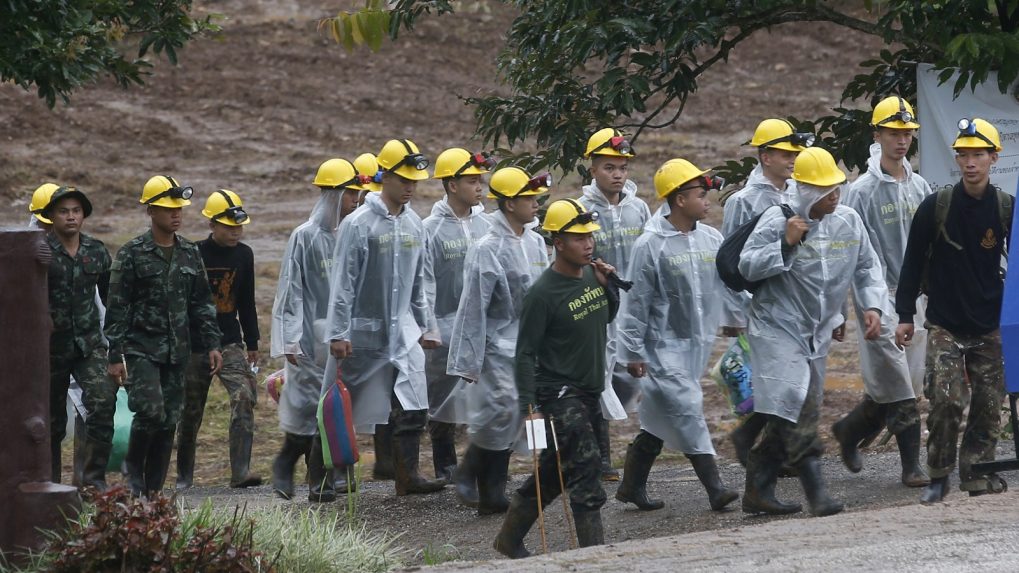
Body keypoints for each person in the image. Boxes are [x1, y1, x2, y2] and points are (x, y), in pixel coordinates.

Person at [738, 148, 887, 517]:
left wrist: (871, 306)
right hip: (776, 326)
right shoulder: (778, 219)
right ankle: (817, 492)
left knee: (795, 407)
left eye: (836, 189)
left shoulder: (848, 222)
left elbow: (867, 267)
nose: (834, 197)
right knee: (797, 401)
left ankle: (757, 484)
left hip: (816, 330)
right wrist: (784, 243)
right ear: (804, 190)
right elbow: (746, 265)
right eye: (825, 191)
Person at [494, 199, 618, 558]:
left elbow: (606, 316)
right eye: (578, 238)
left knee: (554, 471)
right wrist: (530, 406)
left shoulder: (591, 276)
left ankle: (508, 538)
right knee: (586, 468)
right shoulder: (543, 293)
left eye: (589, 237)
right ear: (558, 243)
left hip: (590, 390)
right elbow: (525, 353)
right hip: (560, 394)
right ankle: (593, 556)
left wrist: (608, 286)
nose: (588, 244)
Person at [896, 118, 1011, 503]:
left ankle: (977, 471)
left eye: (978, 154)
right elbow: (912, 263)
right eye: (963, 155)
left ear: (994, 157)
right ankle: (940, 473)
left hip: (990, 323)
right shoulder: (936, 206)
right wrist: (904, 315)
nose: (969, 163)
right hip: (945, 320)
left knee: (989, 403)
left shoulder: (1006, 208)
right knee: (946, 399)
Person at [615, 159, 740, 512]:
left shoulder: (710, 238)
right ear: (679, 199)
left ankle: (631, 485)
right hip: (661, 346)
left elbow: (726, 285)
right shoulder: (650, 245)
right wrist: (632, 352)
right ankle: (715, 489)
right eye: (701, 195)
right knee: (687, 407)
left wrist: (735, 319)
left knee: (660, 415)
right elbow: (636, 303)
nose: (707, 201)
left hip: (696, 345)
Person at [325, 138, 445, 497]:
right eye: (404, 179)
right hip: (363, 331)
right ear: (385, 176)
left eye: (415, 180)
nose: (410, 186)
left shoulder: (414, 225)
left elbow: (421, 280)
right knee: (341, 403)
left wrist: (426, 325)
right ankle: (324, 477)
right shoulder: (359, 224)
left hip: (403, 329)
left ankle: (407, 477)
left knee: (413, 402)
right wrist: (338, 332)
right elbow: (343, 282)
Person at [832, 96, 932, 488]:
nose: (902, 140)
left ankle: (848, 429)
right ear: (877, 135)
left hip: (916, 298)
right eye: (894, 132)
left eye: (907, 132)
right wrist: (851, 306)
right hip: (879, 294)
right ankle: (911, 466)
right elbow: (851, 252)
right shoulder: (863, 191)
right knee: (899, 383)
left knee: (906, 380)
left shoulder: (919, 185)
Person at [105, 175, 223, 498]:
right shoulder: (132, 254)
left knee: (170, 418)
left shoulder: (188, 252)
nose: (176, 214)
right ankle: (133, 472)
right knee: (150, 411)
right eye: (168, 208)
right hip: (141, 349)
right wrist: (115, 355)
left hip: (177, 351)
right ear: (150, 211)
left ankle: (153, 490)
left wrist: (212, 342)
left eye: (179, 209)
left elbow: (201, 302)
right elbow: (117, 307)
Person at [447, 166, 549, 514]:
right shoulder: (487, 248)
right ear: (508, 204)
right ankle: (468, 472)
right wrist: (469, 359)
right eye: (527, 198)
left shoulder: (536, 241)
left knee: (518, 414)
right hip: (496, 346)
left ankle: (491, 494)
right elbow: (473, 306)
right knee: (500, 411)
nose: (535, 204)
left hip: (527, 346)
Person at [270, 158, 362, 502]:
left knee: (335, 408)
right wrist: (290, 338)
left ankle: (330, 475)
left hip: (343, 339)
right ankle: (289, 465)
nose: (356, 200)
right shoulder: (305, 237)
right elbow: (290, 288)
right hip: (310, 338)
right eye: (350, 193)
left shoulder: (354, 234)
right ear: (333, 195)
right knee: (310, 407)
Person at [721, 118, 809, 466]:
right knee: (778, 383)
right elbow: (729, 262)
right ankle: (773, 455)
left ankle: (763, 445)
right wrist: (735, 314)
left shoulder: (797, 194)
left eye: (794, 152)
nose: (792, 159)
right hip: (758, 304)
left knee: (786, 382)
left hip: (792, 303)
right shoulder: (742, 201)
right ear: (764, 155)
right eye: (784, 153)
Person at [577, 128, 651, 481]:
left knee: (631, 379)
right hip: (596, 308)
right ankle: (600, 458)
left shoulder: (639, 209)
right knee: (596, 380)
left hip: (633, 307)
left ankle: (638, 454)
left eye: (622, 167)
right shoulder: (581, 210)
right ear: (592, 169)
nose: (618, 174)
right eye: (609, 167)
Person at [176, 189, 262, 490]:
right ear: (212, 225)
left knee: (243, 397)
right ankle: (184, 476)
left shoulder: (244, 254)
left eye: (239, 226)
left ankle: (241, 471)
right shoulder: (192, 252)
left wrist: (252, 343)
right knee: (190, 412)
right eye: (228, 226)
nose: (235, 232)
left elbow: (247, 302)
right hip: (194, 345)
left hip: (230, 342)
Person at [422, 147, 493, 484]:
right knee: (442, 398)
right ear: (451, 185)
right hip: (445, 326)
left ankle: (482, 464)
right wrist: (430, 324)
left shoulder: (488, 224)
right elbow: (424, 281)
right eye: (471, 180)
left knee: (485, 395)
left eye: (479, 180)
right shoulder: (430, 229)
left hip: (484, 327)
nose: (479, 186)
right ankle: (445, 464)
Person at [42, 186, 116, 488]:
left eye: (76, 211)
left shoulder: (96, 251)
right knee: (50, 423)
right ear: (51, 216)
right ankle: (50, 486)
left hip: (89, 345)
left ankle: (92, 481)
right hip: (49, 348)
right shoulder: (40, 252)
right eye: (63, 211)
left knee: (103, 402)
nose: (71, 217)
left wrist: (117, 348)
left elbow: (113, 300)